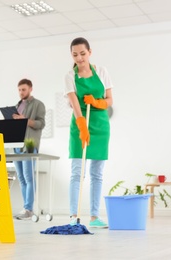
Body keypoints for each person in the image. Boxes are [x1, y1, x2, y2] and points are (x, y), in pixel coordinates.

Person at [65, 37, 113, 228]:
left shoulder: (101, 71)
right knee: (77, 172)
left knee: (97, 173)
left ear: (89, 52)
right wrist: (82, 125)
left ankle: (94, 217)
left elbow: (110, 100)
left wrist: (97, 102)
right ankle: (73, 216)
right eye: (75, 54)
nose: (79, 58)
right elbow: (74, 103)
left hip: (101, 125)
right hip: (80, 122)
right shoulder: (70, 76)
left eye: (83, 54)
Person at [12, 78, 46, 220]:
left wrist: (25, 120)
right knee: (21, 178)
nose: (21, 92)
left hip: (30, 144)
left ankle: (28, 209)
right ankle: (26, 208)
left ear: (31, 89)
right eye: (19, 90)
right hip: (17, 146)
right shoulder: (17, 105)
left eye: (24, 89)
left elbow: (41, 124)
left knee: (29, 177)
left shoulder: (38, 104)